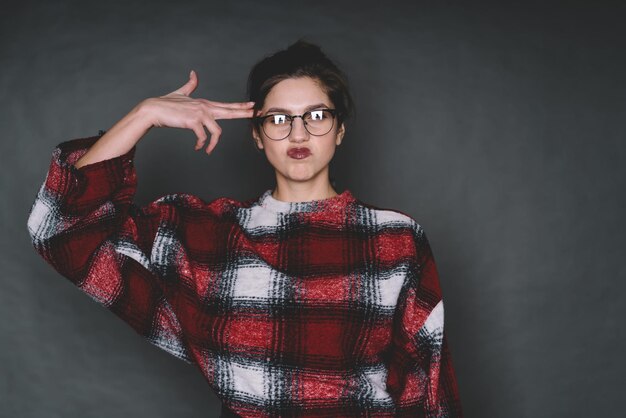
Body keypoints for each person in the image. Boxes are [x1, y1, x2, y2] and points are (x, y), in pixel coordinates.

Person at [27, 40, 462, 417]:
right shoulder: (204, 235)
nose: (298, 132)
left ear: (340, 130)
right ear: (257, 135)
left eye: (316, 115)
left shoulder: (395, 240)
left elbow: (428, 390)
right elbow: (59, 227)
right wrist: (145, 115)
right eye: (278, 118)